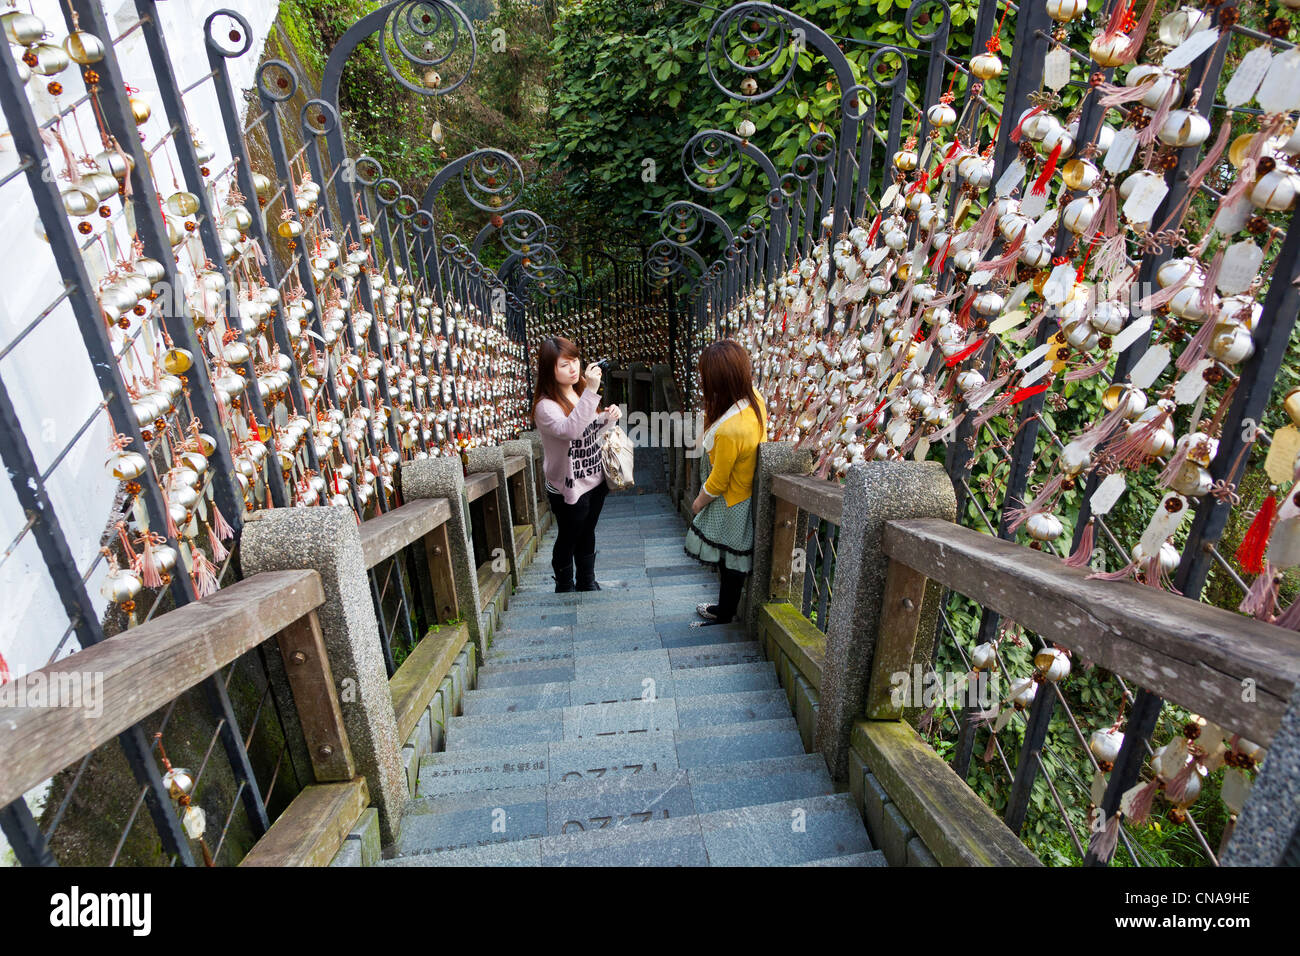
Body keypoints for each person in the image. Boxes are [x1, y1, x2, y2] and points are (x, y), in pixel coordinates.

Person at [684, 339, 767, 627]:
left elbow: (718, 481)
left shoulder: (731, 430)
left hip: (730, 501)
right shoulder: (753, 400)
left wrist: (696, 504)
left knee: (730, 560)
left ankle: (724, 614)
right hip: (740, 496)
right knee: (729, 558)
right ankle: (725, 610)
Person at [532, 336, 621, 592]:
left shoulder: (581, 389)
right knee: (569, 534)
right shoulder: (545, 407)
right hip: (566, 484)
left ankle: (586, 580)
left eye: (575, 361)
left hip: (594, 476)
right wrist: (592, 392)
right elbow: (570, 430)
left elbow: (591, 430)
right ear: (550, 370)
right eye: (564, 365)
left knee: (588, 529)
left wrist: (610, 417)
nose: (573, 369)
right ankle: (564, 582)